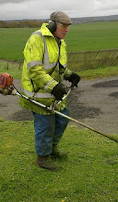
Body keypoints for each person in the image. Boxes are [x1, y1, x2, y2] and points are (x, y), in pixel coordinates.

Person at [19, 11, 81, 171]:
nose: (66, 30)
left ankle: (52, 149)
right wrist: (53, 86)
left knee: (62, 119)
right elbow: (35, 69)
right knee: (45, 126)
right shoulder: (37, 39)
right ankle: (42, 159)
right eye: (63, 26)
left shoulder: (60, 41)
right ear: (52, 25)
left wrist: (69, 75)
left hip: (54, 93)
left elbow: (58, 66)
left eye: (68, 27)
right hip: (38, 94)